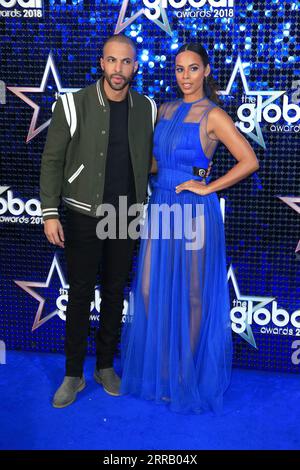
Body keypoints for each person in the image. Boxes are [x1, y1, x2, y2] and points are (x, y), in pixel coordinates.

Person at [120, 43, 259, 414]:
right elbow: (155, 162)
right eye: (180, 69)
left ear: (207, 71)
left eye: (193, 69)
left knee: (194, 292)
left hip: (195, 210)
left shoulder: (214, 116)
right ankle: (168, 363)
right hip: (161, 207)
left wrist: (208, 186)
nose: (185, 76)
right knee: (149, 288)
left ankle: (185, 371)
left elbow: (249, 160)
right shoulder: (164, 109)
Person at [39, 34, 157, 408]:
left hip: (124, 215)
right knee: (78, 294)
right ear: (102, 62)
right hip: (80, 213)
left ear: (134, 66)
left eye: (126, 62)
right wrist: (49, 212)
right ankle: (73, 374)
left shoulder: (147, 107)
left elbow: (151, 157)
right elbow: (52, 161)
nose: (118, 69)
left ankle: (105, 366)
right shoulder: (73, 104)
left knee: (113, 292)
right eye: (112, 61)